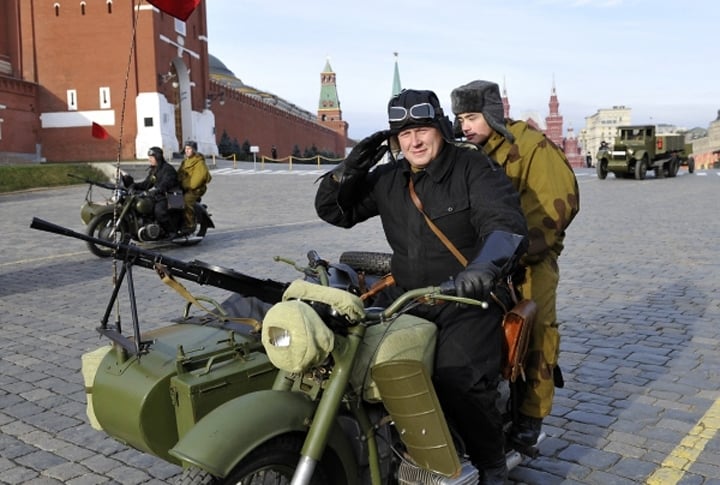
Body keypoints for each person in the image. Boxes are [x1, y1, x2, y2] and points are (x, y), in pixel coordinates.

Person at [315, 89, 528, 484]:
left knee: (455, 375)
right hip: (408, 296)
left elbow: (505, 225)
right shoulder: (389, 179)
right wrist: (350, 168)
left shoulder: (472, 168)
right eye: (403, 133)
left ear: (441, 130)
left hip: (466, 298)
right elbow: (335, 212)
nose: (414, 141)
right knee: (346, 351)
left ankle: (491, 461)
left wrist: (482, 270)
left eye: (422, 130)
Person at [451, 80, 580, 449]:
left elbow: (558, 206)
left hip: (529, 262)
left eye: (473, 117)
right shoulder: (472, 152)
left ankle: (530, 417)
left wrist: (512, 252)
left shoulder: (530, 146)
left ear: (492, 113)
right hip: (480, 264)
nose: (466, 127)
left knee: (535, 333)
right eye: (461, 119)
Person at [132, 146, 183, 236]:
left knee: (159, 212)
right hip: (159, 195)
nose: (149, 159)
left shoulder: (167, 169)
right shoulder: (154, 169)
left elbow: (165, 184)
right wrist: (134, 185)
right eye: (149, 157)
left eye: (151, 157)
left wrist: (156, 190)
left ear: (158, 157)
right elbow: (147, 183)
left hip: (172, 196)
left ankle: (172, 232)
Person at [177, 140, 212, 233]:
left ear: (194, 150)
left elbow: (199, 178)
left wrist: (187, 185)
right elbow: (179, 174)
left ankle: (190, 224)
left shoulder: (199, 162)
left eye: (189, 149)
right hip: (184, 188)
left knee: (186, 201)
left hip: (195, 190)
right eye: (186, 149)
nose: (187, 151)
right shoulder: (185, 162)